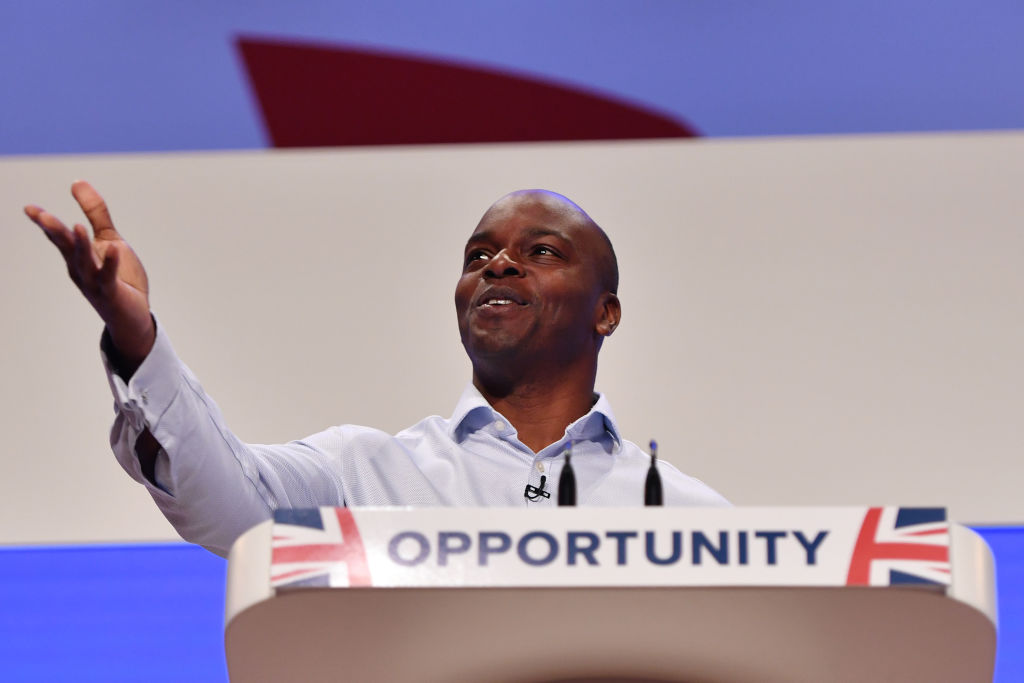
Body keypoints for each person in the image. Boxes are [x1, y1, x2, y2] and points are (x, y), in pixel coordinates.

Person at [25, 182, 727, 556]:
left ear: (606, 313)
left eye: (542, 251)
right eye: (478, 256)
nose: (499, 264)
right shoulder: (359, 473)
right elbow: (224, 501)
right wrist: (135, 333)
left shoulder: (691, 518)